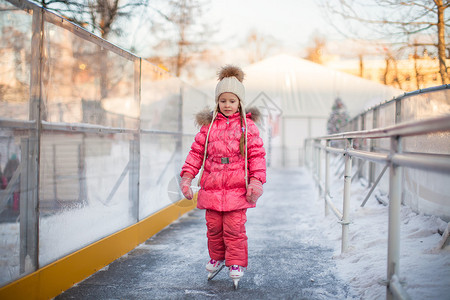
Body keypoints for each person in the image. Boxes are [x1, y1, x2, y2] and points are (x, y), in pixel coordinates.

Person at [179, 65, 266, 288]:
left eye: (232, 101)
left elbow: (256, 155)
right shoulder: (208, 127)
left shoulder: (248, 127)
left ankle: (235, 263)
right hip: (212, 184)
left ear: (240, 103)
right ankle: (217, 257)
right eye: (223, 100)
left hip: (238, 187)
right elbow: (196, 152)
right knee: (214, 227)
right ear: (217, 101)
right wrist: (187, 177)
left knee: (234, 228)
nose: (227, 105)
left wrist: (256, 181)